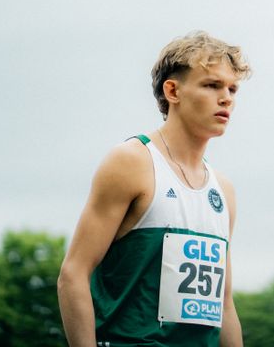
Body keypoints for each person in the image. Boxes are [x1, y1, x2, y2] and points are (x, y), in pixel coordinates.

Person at [57, 31, 251, 347]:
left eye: (232, 89)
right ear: (173, 90)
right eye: (212, 85)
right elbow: (72, 275)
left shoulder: (224, 191)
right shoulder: (131, 162)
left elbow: (225, 305)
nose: (227, 97)